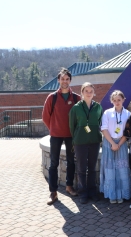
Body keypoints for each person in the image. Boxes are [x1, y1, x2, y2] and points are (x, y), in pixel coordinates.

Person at [42, 68, 81, 205]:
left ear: (70, 81)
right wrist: (54, 128)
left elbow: (80, 117)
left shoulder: (76, 98)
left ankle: (69, 186)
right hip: (56, 136)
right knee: (53, 164)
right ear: (58, 80)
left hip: (71, 136)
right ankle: (53, 192)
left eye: (67, 79)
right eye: (62, 79)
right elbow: (45, 117)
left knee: (71, 162)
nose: (65, 81)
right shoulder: (51, 97)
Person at [69, 82, 103, 204]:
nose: (89, 93)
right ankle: (83, 192)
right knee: (82, 168)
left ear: (94, 93)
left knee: (92, 168)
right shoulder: (76, 108)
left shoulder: (98, 107)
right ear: (82, 93)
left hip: (94, 141)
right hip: (80, 142)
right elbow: (72, 126)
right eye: (86, 91)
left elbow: (100, 123)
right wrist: (77, 137)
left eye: (91, 91)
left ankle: (92, 192)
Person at [100, 90, 131, 204]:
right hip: (109, 143)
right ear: (112, 101)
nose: (117, 102)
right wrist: (113, 143)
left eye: (119, 100)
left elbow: (128, 131)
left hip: (121, 144)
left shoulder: (128, 114)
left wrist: (119, 143)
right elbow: (104, 128)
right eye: (115, 100)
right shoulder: (107, 113)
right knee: (110, 170)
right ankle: (112, 195)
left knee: (122, 170)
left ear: (123, 100)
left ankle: (121, 194)